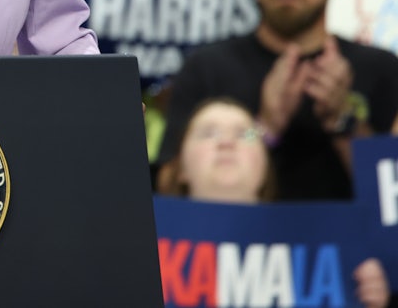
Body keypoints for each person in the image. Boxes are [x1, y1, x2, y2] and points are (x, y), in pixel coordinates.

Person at [156, 0, 398, 201]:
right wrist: (262, 130)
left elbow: (391, 200)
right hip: (235, 243)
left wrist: (343, 119)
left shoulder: (381, 69)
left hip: (351, 247)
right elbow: (167, 190)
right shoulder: (207, 66)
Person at [160, 97, 394, 308]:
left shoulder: (325, 253)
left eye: (246, 134)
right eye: (208, 133)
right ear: (179, 169)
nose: (227, 143)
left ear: (265, 163)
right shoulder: (140, 250)